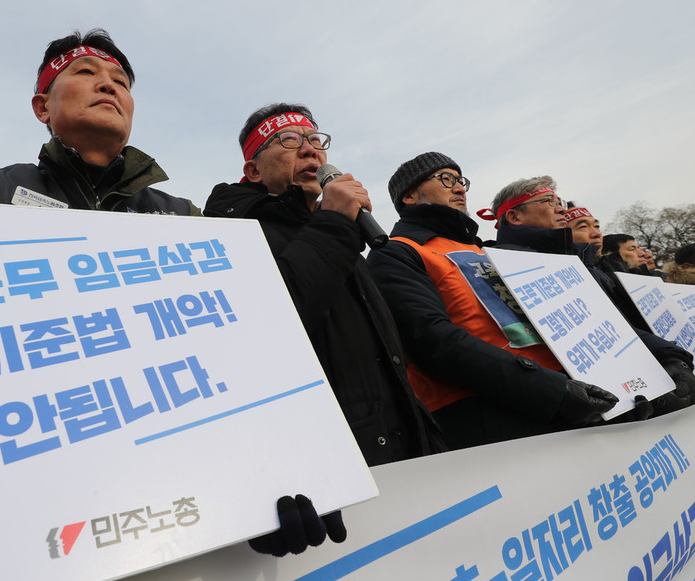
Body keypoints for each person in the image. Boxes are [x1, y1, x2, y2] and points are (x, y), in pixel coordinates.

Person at [205, 105, 443, 554]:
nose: (310, 150)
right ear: (253, 170)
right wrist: (335, 223)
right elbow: (271, 326)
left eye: (316, 140)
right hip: (326, 482)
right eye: (289, 141)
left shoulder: (341, 234)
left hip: (403, 456)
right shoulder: (231, 232)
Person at [367, 155, 617, 449]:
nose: (460, 189)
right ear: (409, 195)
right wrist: (550, 390)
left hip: (568, 396)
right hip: (485, 414)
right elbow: (431, 339)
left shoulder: (491, 252)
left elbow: (574, 317)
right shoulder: (397, 253)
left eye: (461, 181)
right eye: (446, 179)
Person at [486, 176, 695, 412]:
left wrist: (671, 356)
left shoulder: (575, 262)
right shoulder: (505, 265)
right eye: (547, 201)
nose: (561, 210)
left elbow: (610, 325)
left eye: (559, 202)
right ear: (515, 217)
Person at [0, 29, 200, 215]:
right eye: (86, 72)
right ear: (43, 107)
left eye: (120, 82)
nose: (108, 85)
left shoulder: (184, 215)